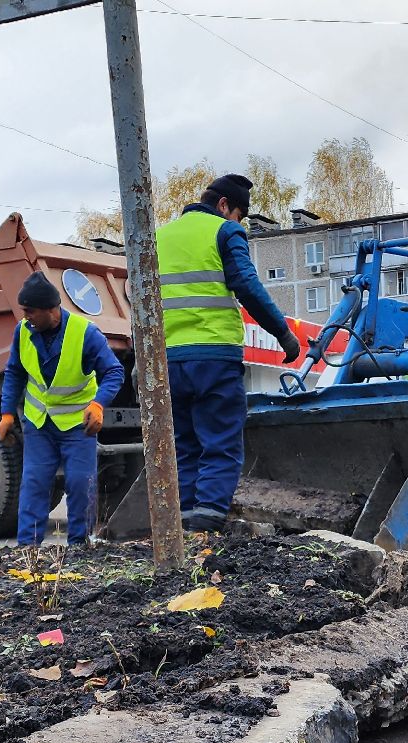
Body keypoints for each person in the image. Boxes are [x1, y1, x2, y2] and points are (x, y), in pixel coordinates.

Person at [155, 172, 302, 533]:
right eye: (240, 215)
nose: (240, 224)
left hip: (169, 360)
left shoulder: (157, 237)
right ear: (224, 206)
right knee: (220, 440)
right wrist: (283, 333)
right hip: (213, 356)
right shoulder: (224, 231)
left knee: (185, 444)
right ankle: (208, 517)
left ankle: (187, 521)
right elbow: (246, 285)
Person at [0, 271, 125, 547]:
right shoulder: (23, 331)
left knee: (80, 483)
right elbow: (14, 372)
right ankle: (27, 548)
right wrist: (7, 412)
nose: (26, 316)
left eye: (30, 311)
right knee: (34, 482)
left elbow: (114, 371)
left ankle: (79, 545)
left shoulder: (85, 333)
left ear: (50, 309)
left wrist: (98, 404)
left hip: (77, 425)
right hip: (39, 422)